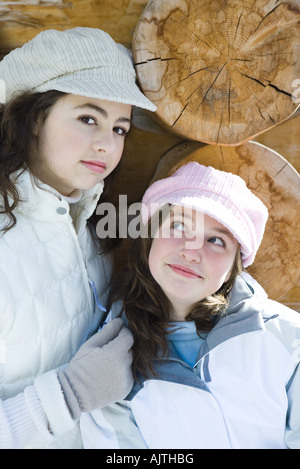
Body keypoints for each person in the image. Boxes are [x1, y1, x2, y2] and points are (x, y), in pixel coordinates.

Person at [0, 27, 156, 449]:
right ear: (34, 118)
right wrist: (68, 396)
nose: (107, 144)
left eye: (121, 129)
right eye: (88, 118)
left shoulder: (87, 220)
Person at [80, 162, 300, 449]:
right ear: (151, 234)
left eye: (216, 240)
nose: (191, 251)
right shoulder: (113, 359)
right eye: (179, 225)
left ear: (235, 264)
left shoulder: (286, 338)